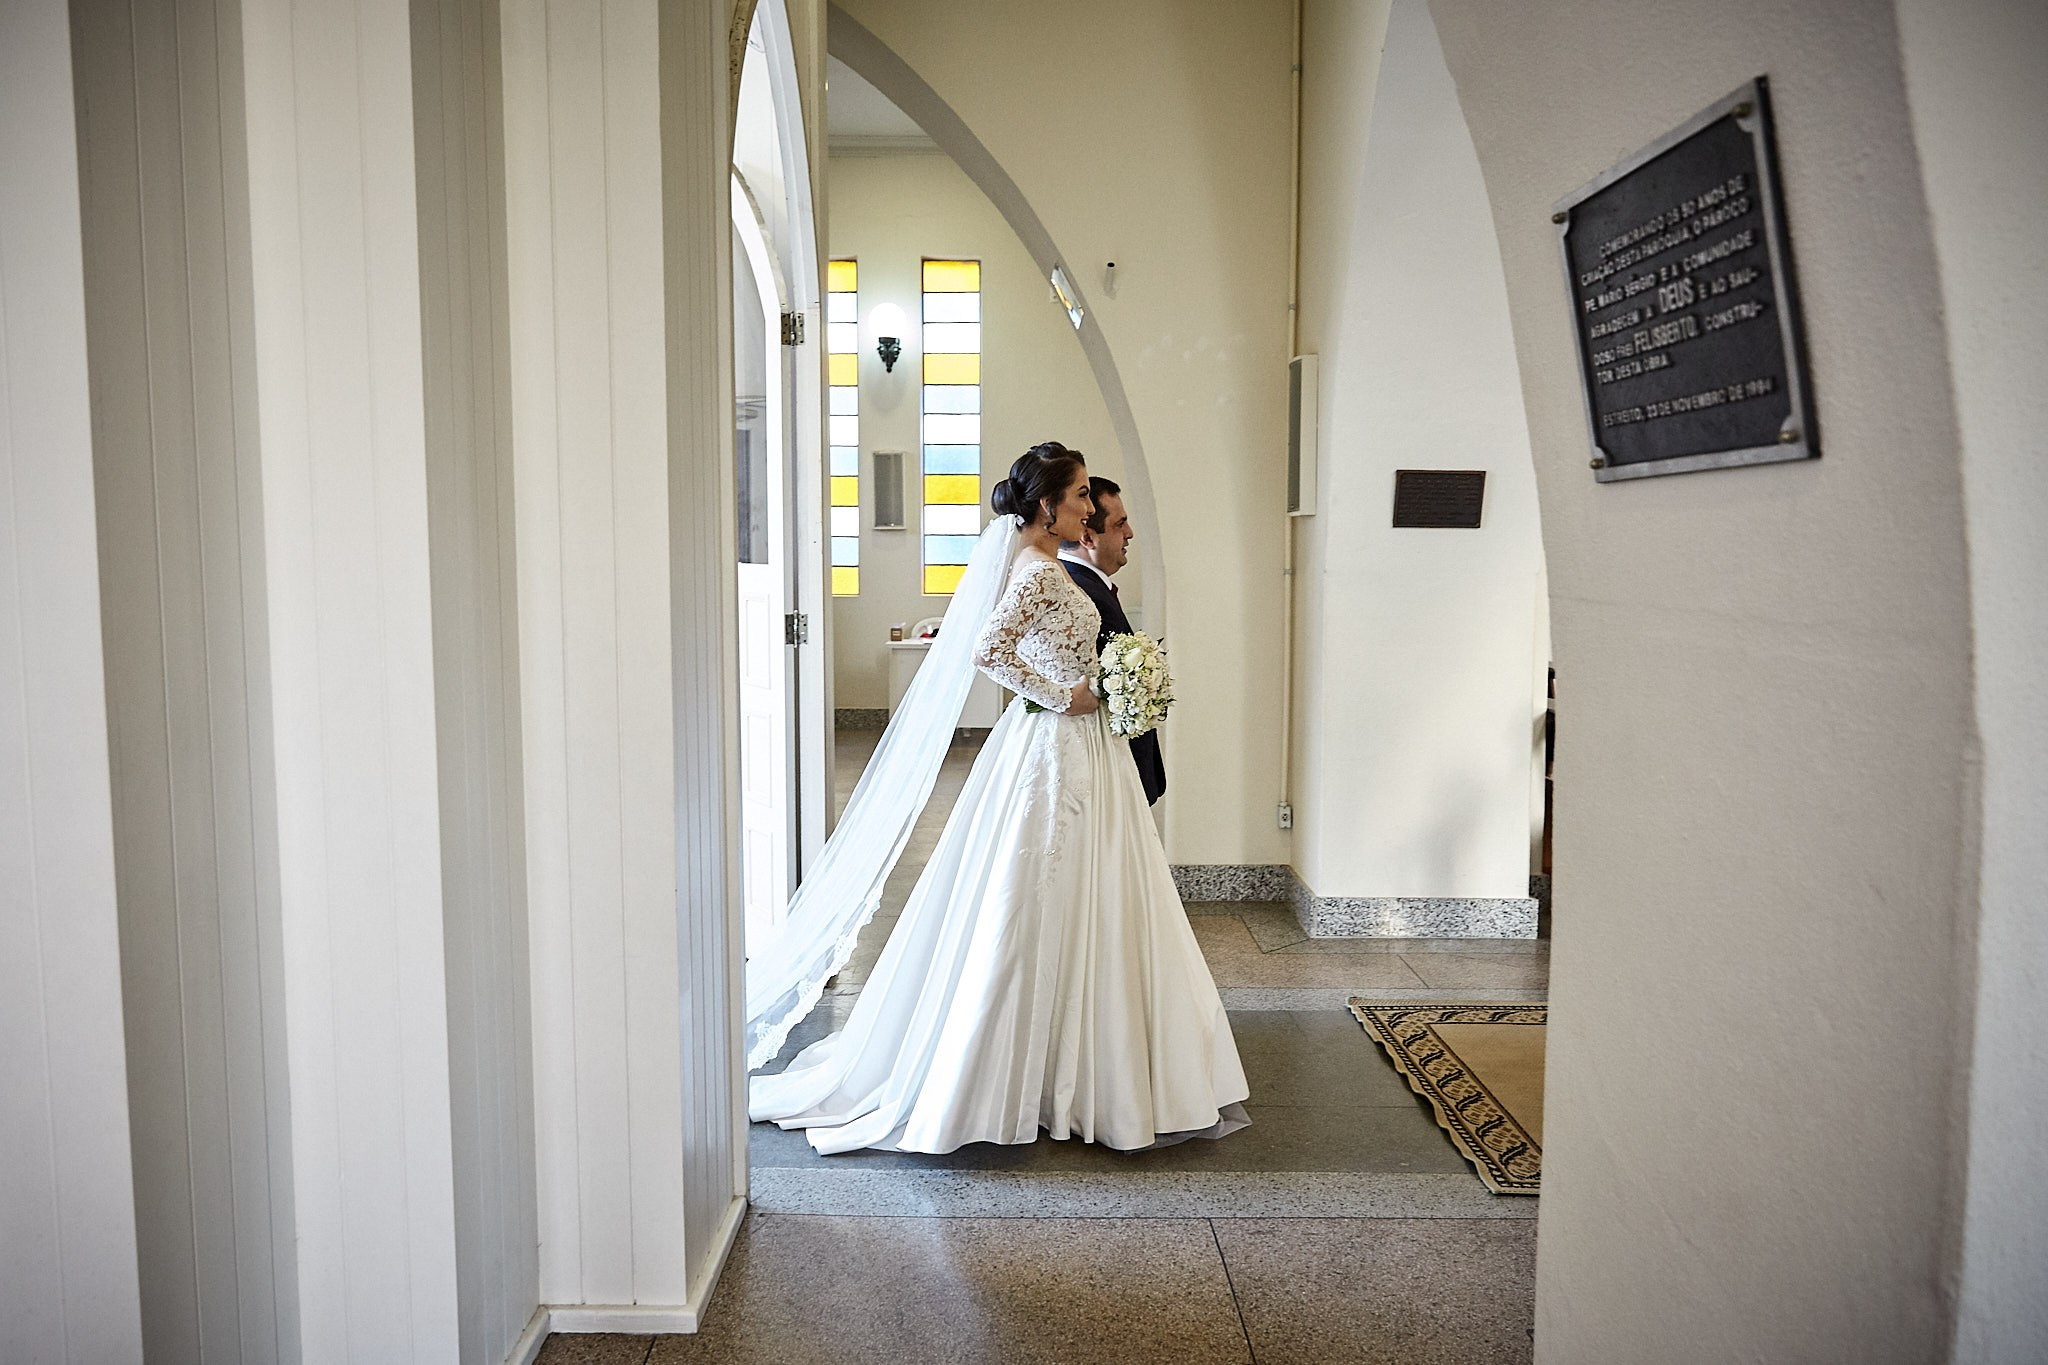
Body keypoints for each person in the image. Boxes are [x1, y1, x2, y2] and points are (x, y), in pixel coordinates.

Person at [747, 441, 1248, 1154]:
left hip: (1085, 748)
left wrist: (1107, 685)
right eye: (1079, 495)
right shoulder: (1036, 573)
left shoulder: (1048, 566)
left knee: (1091, 898)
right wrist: (1062, 696)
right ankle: (1018, 1073)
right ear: (1048, 504)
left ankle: (1080, 1065)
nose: (1086, 506)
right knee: (1034, 899)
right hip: (1053, 749)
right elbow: (989, 649)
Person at [1058, 476, 1166, 805]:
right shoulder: (1081, 591)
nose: (1130, 533)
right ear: (1088, 536)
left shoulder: (1090, 584)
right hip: (1106, 769)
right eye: (1120, 524)